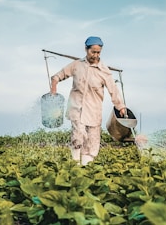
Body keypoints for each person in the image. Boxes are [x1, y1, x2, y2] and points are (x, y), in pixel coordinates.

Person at [50, 36, 126, 165]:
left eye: (98, 52)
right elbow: (58, 76)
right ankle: (75, 165)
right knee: (78, 135)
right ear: (86, 49)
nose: (95, 55)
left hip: (93, 110)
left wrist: (121, 106)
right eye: (93, 52)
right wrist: (54, 87)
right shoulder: (76, 65)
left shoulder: (104, 71)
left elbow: (113, 90)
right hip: (76, 107)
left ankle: (85, 168)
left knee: (92, 141)